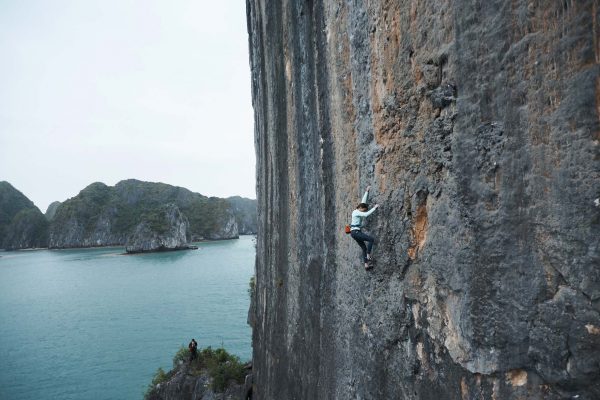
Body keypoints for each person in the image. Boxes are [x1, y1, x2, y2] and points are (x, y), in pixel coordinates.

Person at [350, 185, 379, 270]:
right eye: (363, 210)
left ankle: (366, 265)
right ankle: (368, 255)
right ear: (360, 208)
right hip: (356, 232)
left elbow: (363, 202)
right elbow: (366, 215)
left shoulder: (357, 210)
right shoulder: (356, 212)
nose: (363, 211)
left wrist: (367, 191)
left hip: (354, 233)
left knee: (364, 248)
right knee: (371, 239)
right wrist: (374, 208)